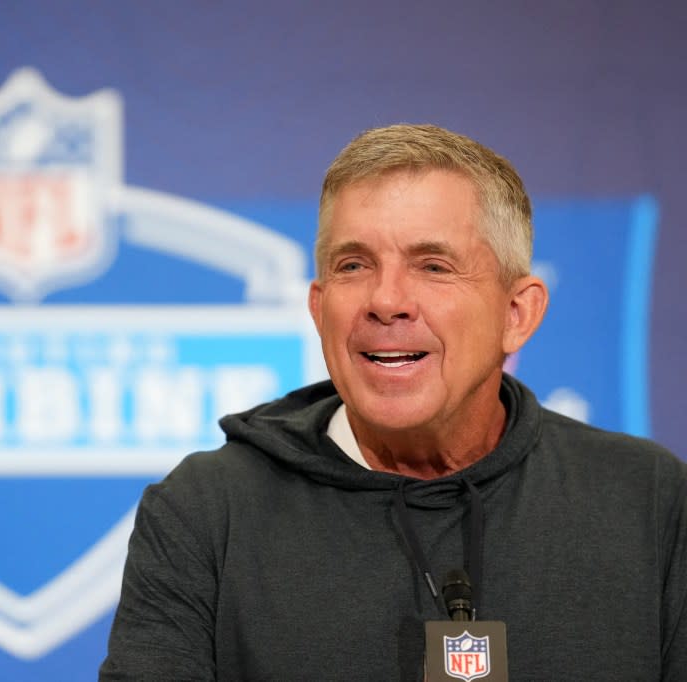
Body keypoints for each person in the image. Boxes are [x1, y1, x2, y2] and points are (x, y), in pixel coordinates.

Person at [99, 124, 687, 680]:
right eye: (354, 266)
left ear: (517, 314)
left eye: (433, 266)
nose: (386, 300)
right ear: (318, 307)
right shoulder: (205, 511)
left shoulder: (647, 498)